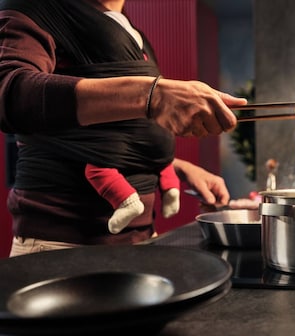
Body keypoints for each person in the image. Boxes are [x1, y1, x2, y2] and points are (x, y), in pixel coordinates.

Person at [0, 0, 247, 257]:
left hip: (140, 239)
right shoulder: (37, 7)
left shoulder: (127, 27)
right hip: (64, 248)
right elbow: (9, 94)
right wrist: (151, 94)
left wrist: (181, 168)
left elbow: (109, 138)